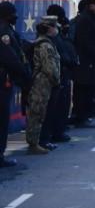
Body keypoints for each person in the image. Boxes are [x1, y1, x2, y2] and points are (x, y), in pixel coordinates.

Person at [0, 1, 32, 168]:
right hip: (3, 80)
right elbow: (11, 57)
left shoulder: (8, 30)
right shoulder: (4, 32)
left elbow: (19, 46)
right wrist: (24, 73)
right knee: (2, 119)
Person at [25, 18, 62, 155]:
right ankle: (33, 143)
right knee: (37, 112)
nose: (56, 29)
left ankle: (37, 141)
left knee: (40, 112)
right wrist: (57, 80)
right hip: (42, 83)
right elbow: (50, 67)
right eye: (53, 27)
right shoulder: (45, 45)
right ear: (48, 29)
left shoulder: (44, 43)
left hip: (43, 82)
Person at [43, 5, 78, 148]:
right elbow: (60, 54)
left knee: (62, 103)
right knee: (55, 106)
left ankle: (58, 130)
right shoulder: (50, 38)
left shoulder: (61, 34)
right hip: (57, 74)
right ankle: (53, 132)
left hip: (63, 72)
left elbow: (68, 46)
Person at [70, 0, 95, 128]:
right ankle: (81, 116)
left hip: (89, 58)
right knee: (83, 88)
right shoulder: (85, 20)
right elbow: (84, 41)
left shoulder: (91, 18)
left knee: (87, 88)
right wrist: (93, 53)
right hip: (85, 59)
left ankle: (83, 115)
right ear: (90, 6)